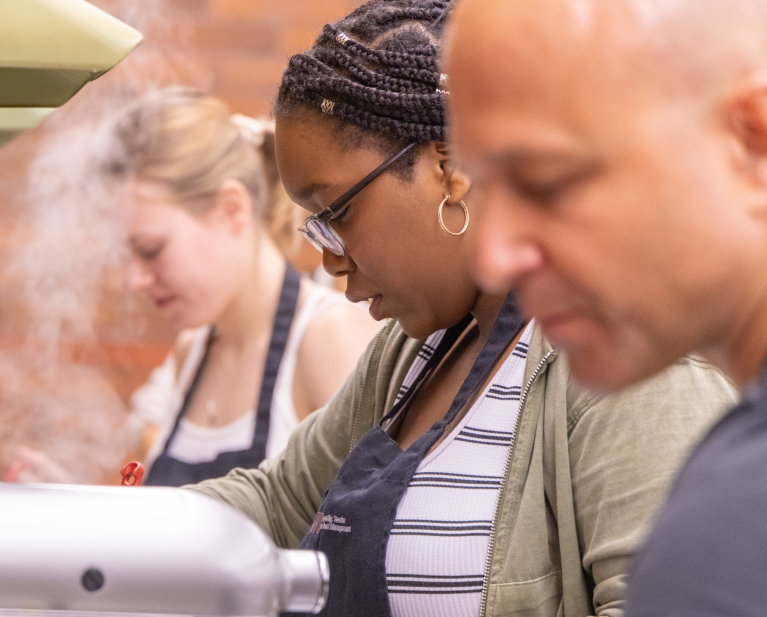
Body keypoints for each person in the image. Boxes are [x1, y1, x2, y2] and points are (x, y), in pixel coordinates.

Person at [186, 2, 737, 616]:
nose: (328, 261)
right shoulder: (413, 354)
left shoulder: (623, 353)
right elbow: (275, 503)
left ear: (449, 172)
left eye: (336, 214)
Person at [444, 0, 767, 613]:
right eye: (483, 188)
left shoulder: (738, 527)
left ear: (751, 140)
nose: (494, 256)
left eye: (546, 182)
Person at [10, 88, 381, 486]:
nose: (134, 281)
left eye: (151, 250)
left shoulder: (330, 339)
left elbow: (361, 530)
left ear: (231, 209)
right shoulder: (192, 350)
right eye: (125, 256)